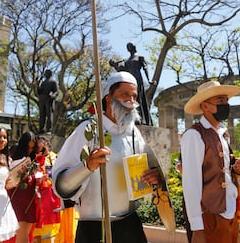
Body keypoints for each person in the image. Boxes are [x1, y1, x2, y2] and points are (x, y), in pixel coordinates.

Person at [52, 71, 162, 243]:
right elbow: (61, 185)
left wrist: (154, 177)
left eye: (134, 96)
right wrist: (87, 166)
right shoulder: (88, 130)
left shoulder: (134, 134)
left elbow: (148, 170)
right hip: (94, 228)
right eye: (125, 94)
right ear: (108, 97)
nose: (131, 101)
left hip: (130, 225)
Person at [181, 81, 240, 243]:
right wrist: (197, 227)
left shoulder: (223, 133)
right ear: (205, 106)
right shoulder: (194, 135)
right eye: (220, 101)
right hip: (210, 218)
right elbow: (191, 183)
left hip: (230, 212)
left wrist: (235, 168)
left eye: (226, 100)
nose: (225, 105)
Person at [109, 43, 154, 125]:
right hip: (129, 81)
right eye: (128, 47)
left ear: (134, 47)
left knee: (139, 97)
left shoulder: (140, 57)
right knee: (129, 99)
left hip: (137, 78)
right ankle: (132, 118)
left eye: (130, 47)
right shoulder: (126, 60)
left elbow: (145, 68)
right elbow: (121, 70)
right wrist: (114, 64)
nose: (129, 48)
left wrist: (149, 80)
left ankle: (142, 119)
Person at [7, 131, 38, 243]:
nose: (30, 150)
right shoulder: (14, 162)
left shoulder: (35, 161)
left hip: (30, 201)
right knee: (22, 234)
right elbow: (10, 181)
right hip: (17, 199)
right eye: (28, 147)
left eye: (32, 148)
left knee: (26, 234)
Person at [38, 69, 58, 133]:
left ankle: (49, 129)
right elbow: (40, 92)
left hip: (49, 100)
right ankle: (41, 129)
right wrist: (38, 86)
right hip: (42, 100)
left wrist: (52, 95)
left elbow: (56, 91)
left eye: (46, 73)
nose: (45, 75)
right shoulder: (43, 82)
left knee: (49, 115)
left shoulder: (53, 82)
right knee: (42, 115)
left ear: (49, 74)